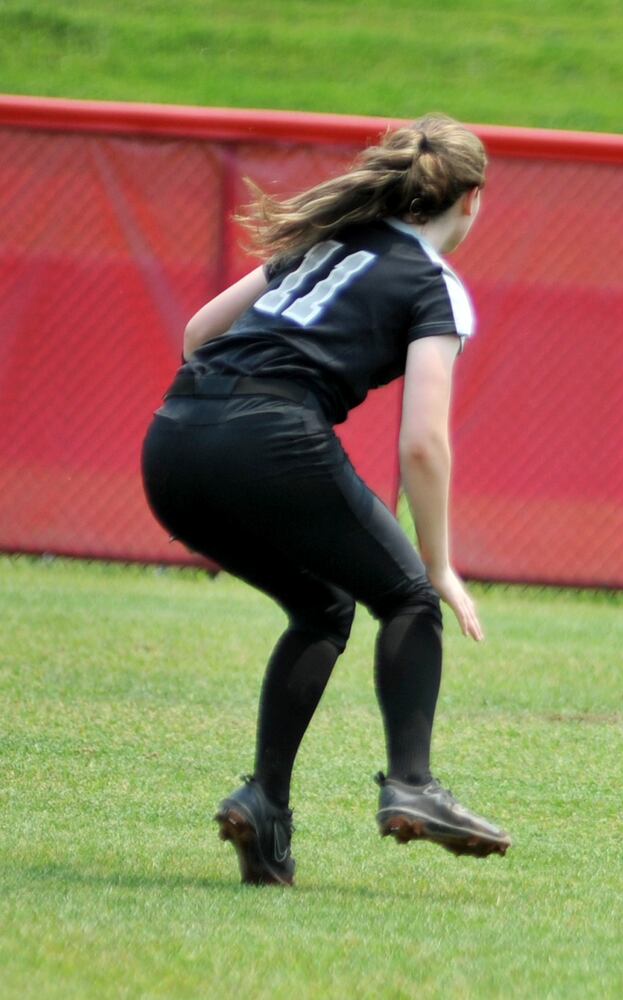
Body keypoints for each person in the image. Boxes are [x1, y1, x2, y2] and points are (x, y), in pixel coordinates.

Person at [141, 113, 509, 887]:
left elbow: (201, 331)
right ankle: (412, 785)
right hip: (269, 435)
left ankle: (264, 807)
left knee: (324, 604)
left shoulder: (325, 242)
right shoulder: (433, 284)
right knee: (407, 598)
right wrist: (437, 565)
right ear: (470, 200)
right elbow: (421, 445)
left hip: (172, 443)